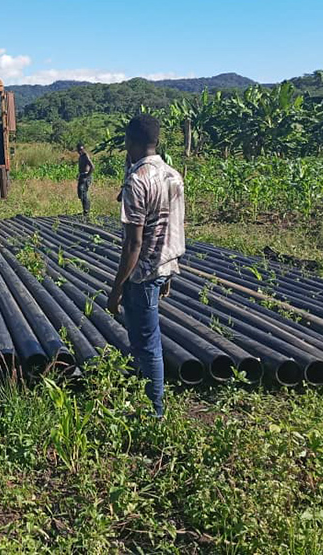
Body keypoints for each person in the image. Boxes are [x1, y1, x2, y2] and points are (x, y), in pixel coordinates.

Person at [106, 114, 185, 418]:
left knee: (147, 344)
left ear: (130, 141)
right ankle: (149, 401)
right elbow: (175, 226)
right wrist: (169, 271)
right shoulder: (173, 175)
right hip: (163, 266)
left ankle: (154, 412)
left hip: (142, 274)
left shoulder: (138, 181)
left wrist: (116, 290)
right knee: (146, 340)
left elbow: (133, 244)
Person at [76, 143, 94, 217]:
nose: (80, 151)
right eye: (79, 150)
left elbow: (92, 167)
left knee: (84, 192)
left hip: (86, 176)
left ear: (83, 149)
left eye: (81, 149)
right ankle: (84, 210)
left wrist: (87, 175)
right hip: (82, 175)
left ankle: (86, 211)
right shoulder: (80, 157)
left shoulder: (86, 156)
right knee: (80, 193)